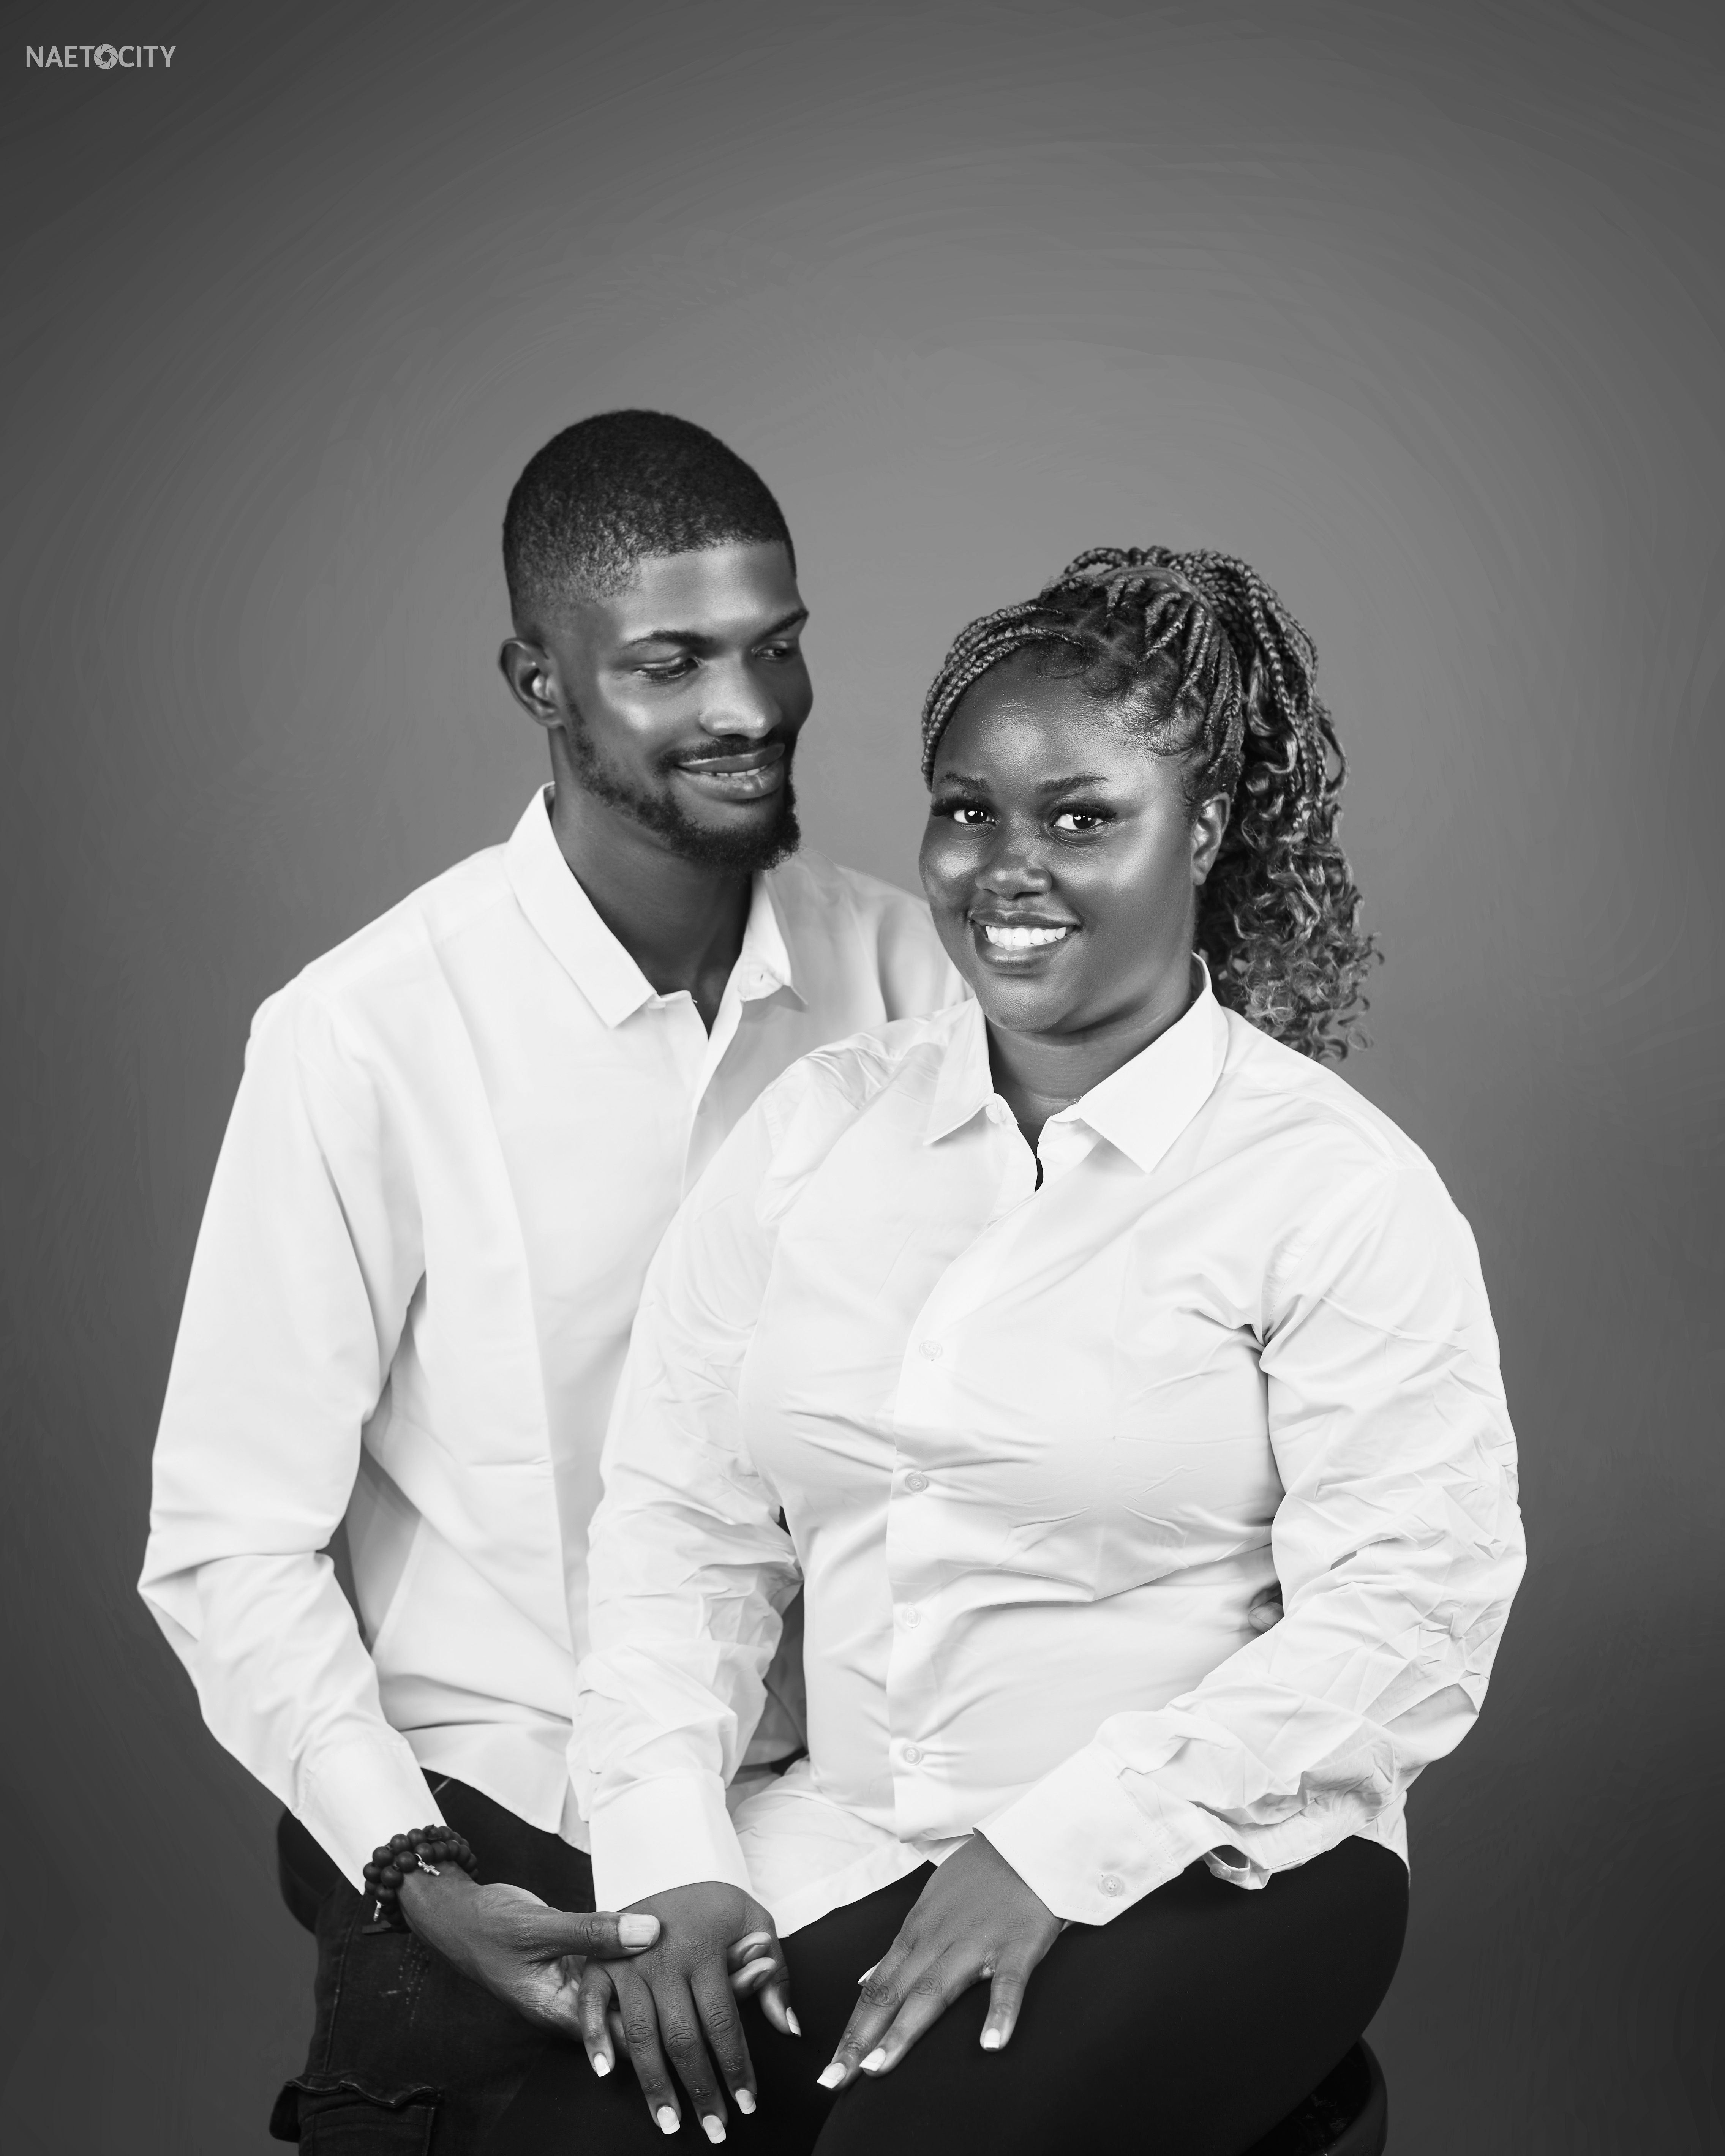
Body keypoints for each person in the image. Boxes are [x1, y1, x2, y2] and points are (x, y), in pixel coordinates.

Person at [493, 547, 1527, 2155]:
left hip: (1216, 1855)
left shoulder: (1331, 1189)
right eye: (967, 810)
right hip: (840, 1833)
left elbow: (1410, 1612)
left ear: (1206, 829)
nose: (1005, 867)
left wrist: (1055, 1847)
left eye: (1081, 816)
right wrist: (667, 1860)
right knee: (541, 2140)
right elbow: (679, 1539)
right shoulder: (815, 1135)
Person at [138, 410, 963, 2151]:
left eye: (775, 644)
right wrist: (416, 1875)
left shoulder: (916, 977)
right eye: (671, 663)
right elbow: (228, 1546)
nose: (748, 706)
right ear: (540, 681)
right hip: (498, 1809)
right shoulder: (364, 1037)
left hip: (845, 1794)